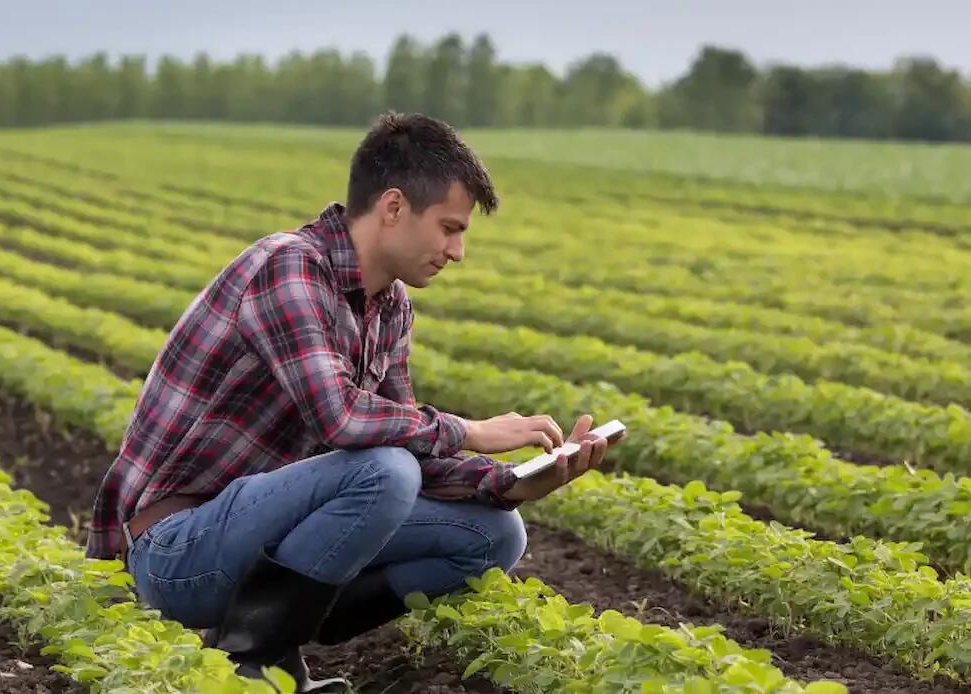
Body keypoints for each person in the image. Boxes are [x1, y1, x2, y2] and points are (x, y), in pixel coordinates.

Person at [85, 112, 620, 693]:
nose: (457, 251)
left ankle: (289, 624)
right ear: (393, 208)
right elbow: (342, 418)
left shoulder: (389, 307)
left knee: (496, 534)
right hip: (178, 549)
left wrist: (513, 482)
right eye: (449, 228)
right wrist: (469, 429)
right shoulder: (288, 267)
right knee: (382, 471)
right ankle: (258, 665)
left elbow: (404, 439)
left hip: (260, 536)